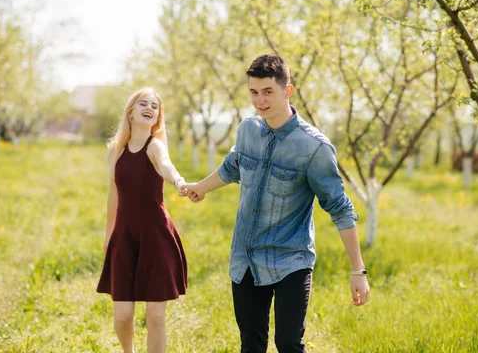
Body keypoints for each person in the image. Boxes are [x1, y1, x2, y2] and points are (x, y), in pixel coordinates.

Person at [184, 55, 369, 352]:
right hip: (246, 259)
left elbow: (340, 208)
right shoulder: (248, 130)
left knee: (288, 344)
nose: (260, 101)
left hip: (291, 261)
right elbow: (233, 167)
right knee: (251, 345)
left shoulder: (314, 148)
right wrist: (200, 188)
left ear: (287, 90)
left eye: (267, 91)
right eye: (254, 92)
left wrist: (357, 271)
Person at [96, 87, 188, 353]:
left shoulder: (154, 146)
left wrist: (179, 181)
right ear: (131, 112)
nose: (149, 108)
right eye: (143, 104)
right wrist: (108, 234)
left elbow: (166, 164)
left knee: (156, 316)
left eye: (154, 106)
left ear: (157, 118)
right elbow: (113, 196)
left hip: (155, 235)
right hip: (125, 236)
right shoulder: (116, 150)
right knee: (122, 315)